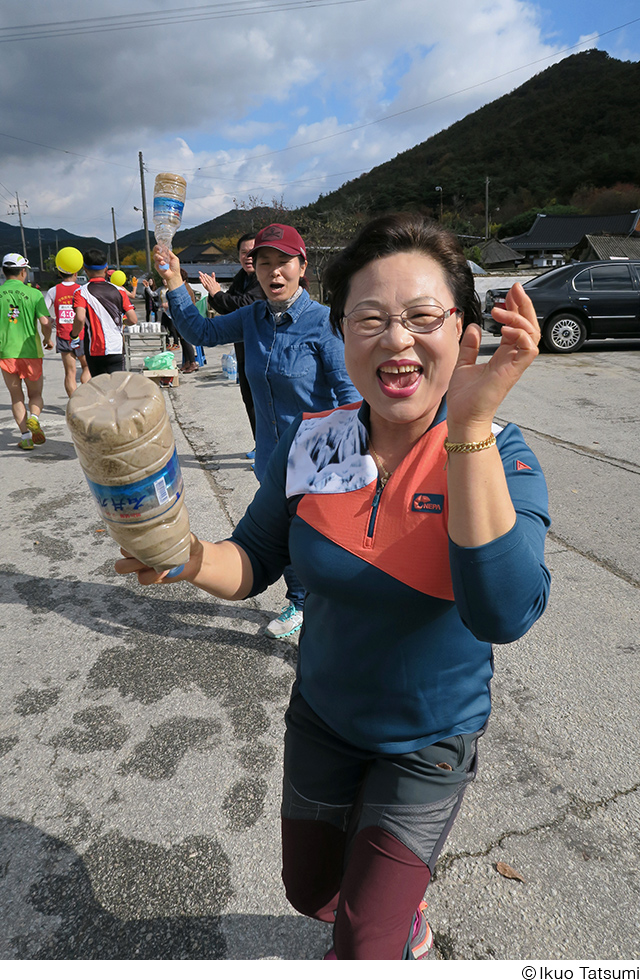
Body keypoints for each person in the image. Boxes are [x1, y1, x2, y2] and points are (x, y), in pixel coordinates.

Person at [117, 214, 550, 959]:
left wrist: (471, 423)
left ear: (463, 330)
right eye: (371, 319)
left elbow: (503, 612)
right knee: (310, 894)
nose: (398, 340)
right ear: (342, 330)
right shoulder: (313, 440)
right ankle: (392, 910)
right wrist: (185, 556)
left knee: (361, 944)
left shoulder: (498, 455)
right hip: (322, 717)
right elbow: (252, 559)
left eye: (422, 318)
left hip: (427, 741)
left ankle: (394, 925)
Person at [154, 222, 360, 639]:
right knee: (284, 538)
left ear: (303, 266)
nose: (274, 272)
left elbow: (351, 399)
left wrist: (350, 464)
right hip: (270, 456)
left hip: (319, 461)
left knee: (319, 543)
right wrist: (175, 280)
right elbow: (202, 333)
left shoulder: (325, 324)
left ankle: (332, 614)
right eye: (263, 263)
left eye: (283, 262)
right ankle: (299, 602)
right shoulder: (252, 316)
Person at [199, 232, 265, 444]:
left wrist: (218, 294)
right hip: (244, 349)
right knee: (249, 400)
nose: (248, 257)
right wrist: (214, 294)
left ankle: (269, 449)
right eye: (244, 253)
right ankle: (259, 446)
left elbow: (245, 304)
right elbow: (228, 309)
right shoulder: (241, 278)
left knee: (264, 402)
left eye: (253, 252)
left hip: (263, 350)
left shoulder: (265, 278)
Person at [0, 253, 53, 450]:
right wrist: (48, 339)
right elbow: (46, 322)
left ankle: (25, 438)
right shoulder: (34, 294)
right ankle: (35, 417)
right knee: (35, 394)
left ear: (4, 272)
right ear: (23, 272)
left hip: (6, 353)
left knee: (16, 397)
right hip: (31, 352)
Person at [70, 249, 137, 376]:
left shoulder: (81, 292)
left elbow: (79, 318)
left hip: (94, 349)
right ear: (106, 269)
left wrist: (74, 335)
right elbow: (133, 319)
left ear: (85, 269)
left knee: (100, 389)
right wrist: (121, 321)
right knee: (117, 388)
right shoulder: (120, 291)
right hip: (116, 347)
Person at [45, 265, 90, 397]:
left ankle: (73, 403)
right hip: (82, 335)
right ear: (76, 273)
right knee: (86, 367)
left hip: (63, 335)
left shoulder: (53, 291)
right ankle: (85, 396)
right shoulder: (82, 290)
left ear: (60, 273)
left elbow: (42, 311)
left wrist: (51, 319)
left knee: (70, 372)